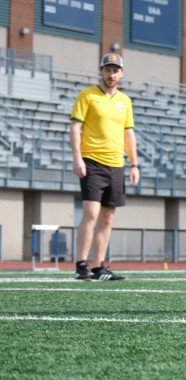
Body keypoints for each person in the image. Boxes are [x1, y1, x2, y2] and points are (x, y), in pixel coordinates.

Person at [70, 52, 139, 281]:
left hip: (116, 164)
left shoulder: (125, 101)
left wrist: (134, 164)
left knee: (108, 218)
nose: (112, 74)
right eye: (108, 70)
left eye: (115, 70)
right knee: (91, 213)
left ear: (122, 73)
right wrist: (77, 157)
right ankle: (82, 265)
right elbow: (75, 128)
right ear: (100, 71)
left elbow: (129, 134)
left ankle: (99, 267)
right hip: (92, 162)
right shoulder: (87, 95)